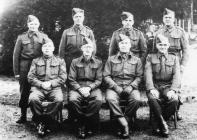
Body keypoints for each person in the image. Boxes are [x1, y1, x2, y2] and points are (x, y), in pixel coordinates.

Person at [103, 34, 145, 138]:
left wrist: (131, 86)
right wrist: (115, 87)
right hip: (114, 86)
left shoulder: (137, 60)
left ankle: (124, 121)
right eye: (122, 43)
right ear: (118, 45)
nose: (124, 45)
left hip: (131, 86)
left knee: (136, 99)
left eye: (126, 43)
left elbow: (139, 76)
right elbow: (106, 76)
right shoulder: (111, 59)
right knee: (110, 99)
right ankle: (124, 124)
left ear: (130, 45)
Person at [13, 15, 51, 123]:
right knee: (24, 91)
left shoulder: (43, 36)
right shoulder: (21, 37)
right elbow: (15, 56)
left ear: (38, 24)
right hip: (24, 66)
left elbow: (49, 48)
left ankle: (36, 115)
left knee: (37, 90)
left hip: (38, 66)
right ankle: (23, 115)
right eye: (31, 24)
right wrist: (17, 72)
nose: (33, 26)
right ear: (28, 25)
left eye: (35, 24)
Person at [154, 8, 189, 120]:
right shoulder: (159, 32)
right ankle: (163, 110)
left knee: (176, 87)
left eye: (170, 17)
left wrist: (183, 64)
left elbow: (186, 50)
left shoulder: (180, 31)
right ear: (163, 19)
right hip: (162, 63)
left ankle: (176, 110)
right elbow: (154, 50)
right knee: (163, 85)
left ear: (174, 19)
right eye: (166, 17)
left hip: (176, 64)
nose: (168, 19)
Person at [28, 41, 67, 136]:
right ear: (42, 49)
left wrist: (51, 83)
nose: (47, 48)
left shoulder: (60, 61)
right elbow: (30, 77)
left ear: (53, 49)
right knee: (33, 99)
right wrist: (41, 84)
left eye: (49, 47)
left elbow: (63, 77)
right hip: (39, 88)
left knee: (59, 100)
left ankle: (45, 121)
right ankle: (40, 120)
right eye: (45, 47)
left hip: (54, 88)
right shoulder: (36, 61)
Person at [145, 34, 180, 137]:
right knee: (152, 99)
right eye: (160, 45)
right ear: (156, 45)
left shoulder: (174, 58)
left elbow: (177, 76)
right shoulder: (150, 57)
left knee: (174, 100)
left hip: (168, 86)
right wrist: (151, 88)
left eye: (165, 45)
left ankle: (158, 122)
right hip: (155, 86)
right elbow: (148, 74)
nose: (163, 47)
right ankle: (163, 124)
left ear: (168, 45)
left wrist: (173, 90)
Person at [68, 38, 102, 138]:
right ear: (82, 49)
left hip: (93, 87)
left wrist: (89, 88)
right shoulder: (75, 62)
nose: (87, 49)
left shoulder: (98, 62)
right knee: (73, 100)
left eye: (90, 47)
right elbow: (71, 78)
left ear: (93, 49)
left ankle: (86, 122)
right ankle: (81, 123)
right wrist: (80, 89)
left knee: (98, 100)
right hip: (78, 87)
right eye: (85, 47)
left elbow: (99, 80)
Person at [59, 8, 96, 72]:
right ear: (73, 18)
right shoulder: (66, 31)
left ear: (83, 18)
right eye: (76, 17)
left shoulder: (89, 32)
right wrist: (61, 61)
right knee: (69, 79)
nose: (78, 18)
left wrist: (90, 59)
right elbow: (62, 49)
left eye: (80, 17)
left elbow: (93, 48)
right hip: (69, 60)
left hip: (83, 60)